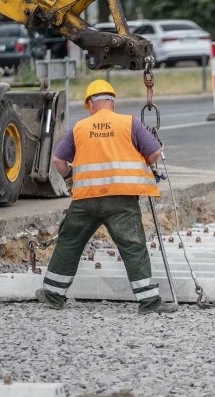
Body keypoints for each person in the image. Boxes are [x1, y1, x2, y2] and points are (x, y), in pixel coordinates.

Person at [35, 79, 178, 314]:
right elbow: (154, 154)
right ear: (113, 102)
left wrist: (71, 178)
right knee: (133, 246)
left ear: (90, 104)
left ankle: (53, 294)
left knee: (70, 242)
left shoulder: (80, 128)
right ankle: (149, 302)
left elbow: (58, 161)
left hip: (85, 199)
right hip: (121, 199)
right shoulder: (129, 123)